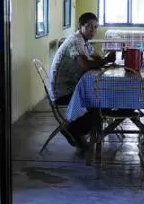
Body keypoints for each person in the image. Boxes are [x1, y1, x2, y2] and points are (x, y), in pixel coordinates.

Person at [49, 12, 116, 148]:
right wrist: (104, 61)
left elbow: (95, 58)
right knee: (99, 99)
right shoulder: (75, 41)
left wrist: (104, 59)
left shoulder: (84, 41)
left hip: (73, 85)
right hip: (62, 92)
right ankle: (72, 129)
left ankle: (78, 129)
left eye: (96, 27)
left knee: (102, 97)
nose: (93, 30)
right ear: (80, 26)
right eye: (90, 26)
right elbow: (85, 65)